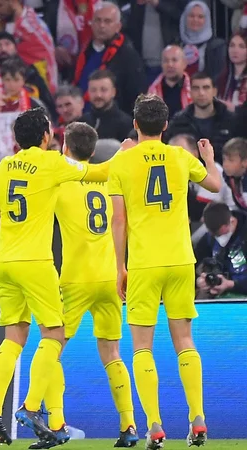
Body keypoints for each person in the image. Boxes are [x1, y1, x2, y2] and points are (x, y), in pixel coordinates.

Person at [0, 108, 111, 444]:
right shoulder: (52, 163)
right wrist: (129, 157)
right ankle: (30, 407)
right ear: (46, 137)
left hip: (5, 264)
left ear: (16, 139)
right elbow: (96, 173)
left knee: (13, 337)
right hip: (36, 262)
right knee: (54, 335)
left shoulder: (6, 166)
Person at [109, 94, 221, 448]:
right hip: (181, 261)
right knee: (185, 341)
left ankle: (154, 425)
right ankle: (197, 417)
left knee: (142, 347)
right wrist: (209, 160)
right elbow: (216, 187)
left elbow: (119, 220)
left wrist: (119, 267)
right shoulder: (179, 156)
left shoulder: (122, 163)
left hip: (144, 263)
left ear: (136, 125)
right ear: (166, 126)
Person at [29, 123, 139, 448]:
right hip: (109, 278)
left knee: (52, 348)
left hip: (75, 280)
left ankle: (56, 423)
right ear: (92, 151)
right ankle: (129, 426)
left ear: (65, 146)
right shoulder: (107, 179)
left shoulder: (59, 183)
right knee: (112, 354)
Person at [195, 202, 247, 299]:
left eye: (222, 233)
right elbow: (195, 266)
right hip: (217, 293)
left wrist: (231, 284)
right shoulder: (208, 239)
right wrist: (200, 281)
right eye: (215, 235)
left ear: (231, 221)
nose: (219, 238)